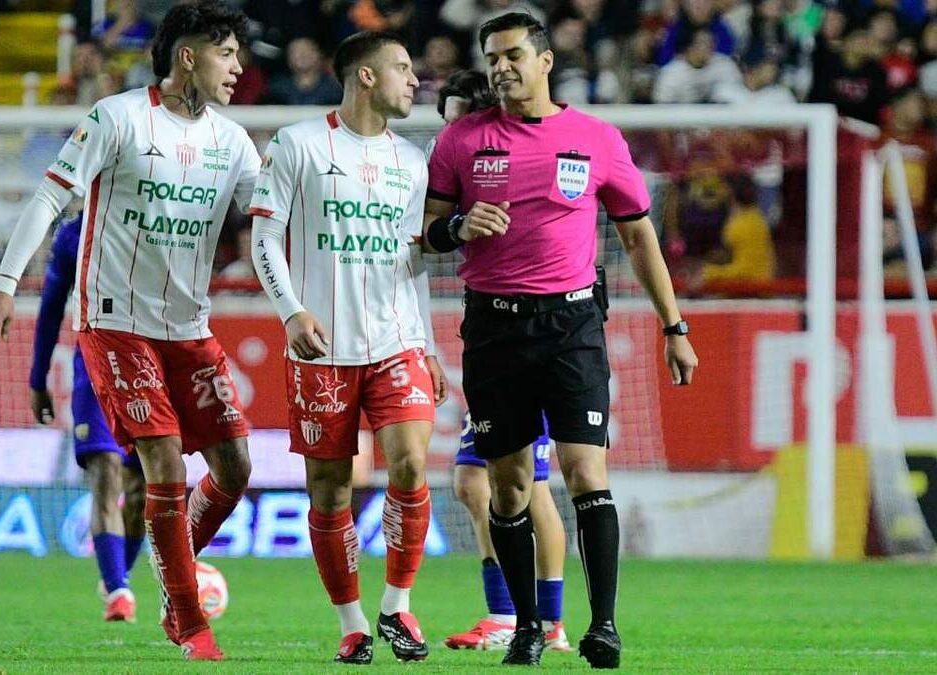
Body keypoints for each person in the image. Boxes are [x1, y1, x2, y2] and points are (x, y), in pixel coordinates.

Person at [0, 2, 260, 662]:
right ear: (188, 56)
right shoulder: (117, 118)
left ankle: (171, 571)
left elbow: (272, 212)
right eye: (227, 53)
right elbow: (48, 197)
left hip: (188, 328)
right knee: (159, 463)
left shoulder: (233, 141)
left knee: (236, 467)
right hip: (115, 325)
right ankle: (188, 620)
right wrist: (6, 282)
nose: (239, 67)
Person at [422, 12, 698, 668]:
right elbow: (429, 230)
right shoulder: (462, 140)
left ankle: (603, 624)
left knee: (584, 469)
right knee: (509, 486)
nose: (501, 66)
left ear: (545, 60)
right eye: (493, 56)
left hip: (572, 323)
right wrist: (458, 225)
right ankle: (526, 627)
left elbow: (638, 235)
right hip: (493, 326)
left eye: (514, 53)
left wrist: (674, 325)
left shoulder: (596, 138)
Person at [250, 30, 446, 665]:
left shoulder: (413, 162)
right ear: (365, 76)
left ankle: (397, 606)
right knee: (330, 490)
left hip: (396, 340)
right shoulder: (298, 144)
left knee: (411, 463)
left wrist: (432, 346)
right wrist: (290, 312)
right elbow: (263, 240)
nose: (414, 80)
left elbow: (412, 263)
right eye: (403, 67)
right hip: (321, 348)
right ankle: (353, 622)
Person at [428, 70, 572, 654]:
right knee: (471, 481)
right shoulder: (454, 168)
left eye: (462, 118)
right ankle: (506, 612)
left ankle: (548, 621)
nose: (453, 132)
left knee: (533, 488)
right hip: (489, 343)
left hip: (537, 338)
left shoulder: (510, 166)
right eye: (447, 120)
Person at [29, 213, 147, 623]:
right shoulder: (73, 234)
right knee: (106, 474)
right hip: (94, 365)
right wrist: (37, 377)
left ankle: (119, 574)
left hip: (149, 364)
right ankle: (118, 592)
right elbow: (50, 307)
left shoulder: (154, 218)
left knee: (142, 491)